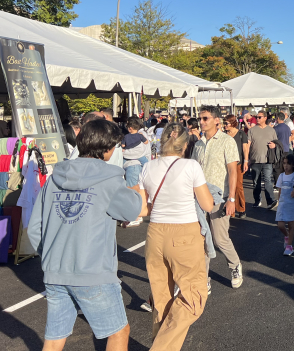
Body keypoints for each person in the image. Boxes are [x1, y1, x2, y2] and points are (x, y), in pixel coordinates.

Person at [28, 119, 144, 351]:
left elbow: (34, 228)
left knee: (54, 339)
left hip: (55, 270)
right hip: (93, 271)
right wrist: (139, 189)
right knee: (119, 332)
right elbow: (132, 210)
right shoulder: (109, 178)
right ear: (108, 148)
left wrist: (50, 256)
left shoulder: (54, 178)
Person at [138, 123, 214, 350]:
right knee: (194, 296)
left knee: (161, 299)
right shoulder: (191, 166)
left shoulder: (148, 167)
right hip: (184, 231)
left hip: (155, 233)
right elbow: (207, 204)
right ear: (186, 144)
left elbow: (142, 210)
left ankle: (160, 342)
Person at [191, 105, 243, 289]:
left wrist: (231, 199)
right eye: (201, 118)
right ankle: (204, 278)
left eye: (205, 118)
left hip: (219, 197)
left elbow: (232, 171)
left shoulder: (227, 141)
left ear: (216, 120)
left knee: (220, 238)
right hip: (199, 196)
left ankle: (235, 265)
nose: (202, 122)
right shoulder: (197, 144)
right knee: (202, 237)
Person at [247, 110, 278, 210]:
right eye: (257, 117)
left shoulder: (271, 130)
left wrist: (274, 145)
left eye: (259, 117)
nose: (257, 119)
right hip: (255, 159)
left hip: (267, 160)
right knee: (256, 182)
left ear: (265, 118)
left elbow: (276, 143)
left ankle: (271, 201)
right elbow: (248, 145)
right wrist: (247, 159)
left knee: (268, 180)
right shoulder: (252, 130)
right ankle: (257, 200)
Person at [223, 115, 249, 218]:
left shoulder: (241, 134)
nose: (224, 125)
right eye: (224, 123)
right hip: (225, 163)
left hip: (238, 163)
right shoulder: (223, 135)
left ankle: (241, 208)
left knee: (238, 186)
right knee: (228, 186)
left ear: (233, 123)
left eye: (226, 123)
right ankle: (231, 211)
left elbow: (245, 149)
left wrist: (246, 162)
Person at [276, 154, 294, 256]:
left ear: (293, 165)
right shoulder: (281, 176)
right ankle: (286, 236)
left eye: (288, 164)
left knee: (291, 225)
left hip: (292, 204)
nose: (285, 166)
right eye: (284, 163)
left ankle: (289, 246)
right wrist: (279, 202)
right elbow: (280, 190)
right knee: (280, 225)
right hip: (283, 203)